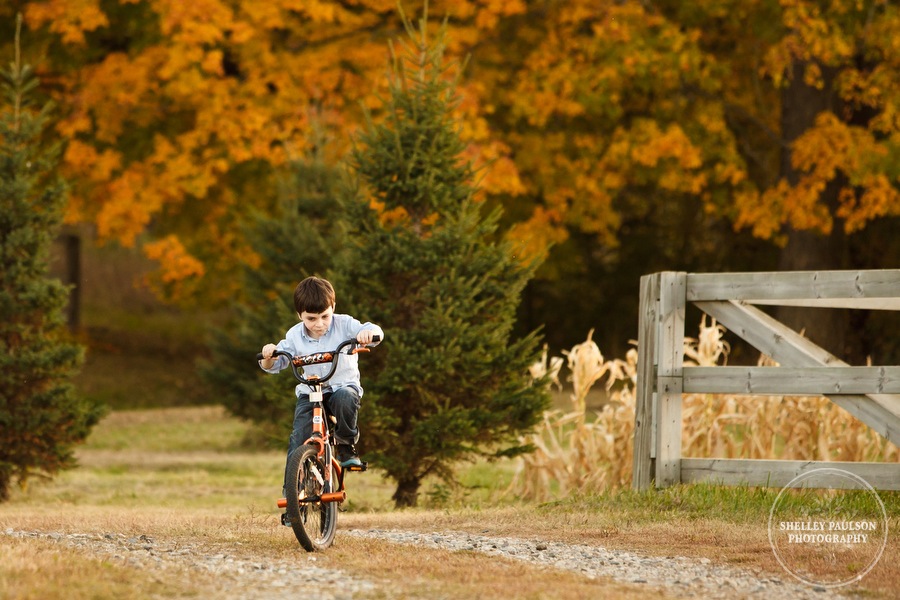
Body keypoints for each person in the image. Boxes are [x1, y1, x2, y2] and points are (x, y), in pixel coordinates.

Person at [258, 276, 383, 493]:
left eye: (325, 316)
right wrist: (270, 355)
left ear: (333, 307)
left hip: (342, 386)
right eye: (311, 318)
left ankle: (346, 446)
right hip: (311, 392)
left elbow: (376, 333)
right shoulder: (294, 335)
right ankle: (292, 495)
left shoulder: (345, 324)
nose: (319, 324)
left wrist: (367, 334)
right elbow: (276, 363)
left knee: (346, 398)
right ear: (300, 316)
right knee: (298, 439)